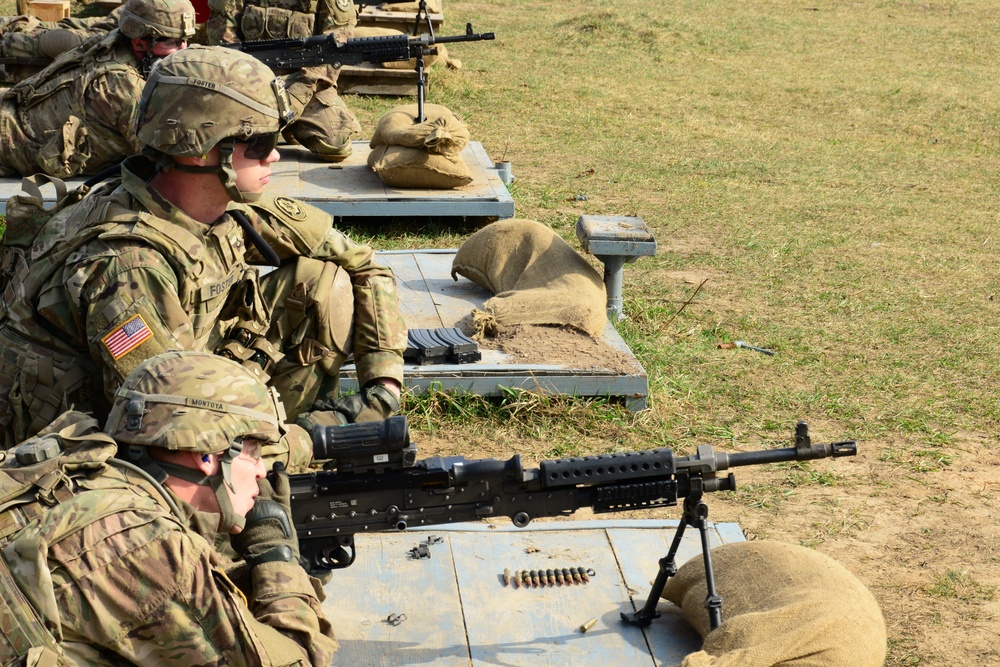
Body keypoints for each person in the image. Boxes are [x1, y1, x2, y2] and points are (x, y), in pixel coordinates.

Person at [0, 45, 407, 456]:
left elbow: (364, 264)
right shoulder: (127, 266)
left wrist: (384, 383)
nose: (276, 155)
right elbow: (173, 432)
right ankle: (261, 462)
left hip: (184, 372)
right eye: (261, 143)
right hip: (101, 444)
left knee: (322, 282)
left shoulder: (222, 207)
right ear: (200, 148)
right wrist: (310, 441)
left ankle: (264, 447)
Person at [0, 350, 338, 665]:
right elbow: (298, 659)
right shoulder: (146, 544)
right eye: (254, 450)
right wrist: (276, 559)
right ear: (208, 455)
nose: (262, 470)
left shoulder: (74, 467)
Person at [0, 0, 195, 178]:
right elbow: (171, 163)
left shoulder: (113, 41)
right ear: (140, 42)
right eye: (173, 42)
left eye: (186, 40)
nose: (183, 50)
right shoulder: (123, 87)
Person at [205, 0, 362, 162]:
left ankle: (293, 125)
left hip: (308, 86)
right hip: (249, 85)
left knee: (335, 146)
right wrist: (254, 86)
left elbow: (333, 52)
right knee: (222, 140)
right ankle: (282, 123)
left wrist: (295, 98)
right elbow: (224, 43)